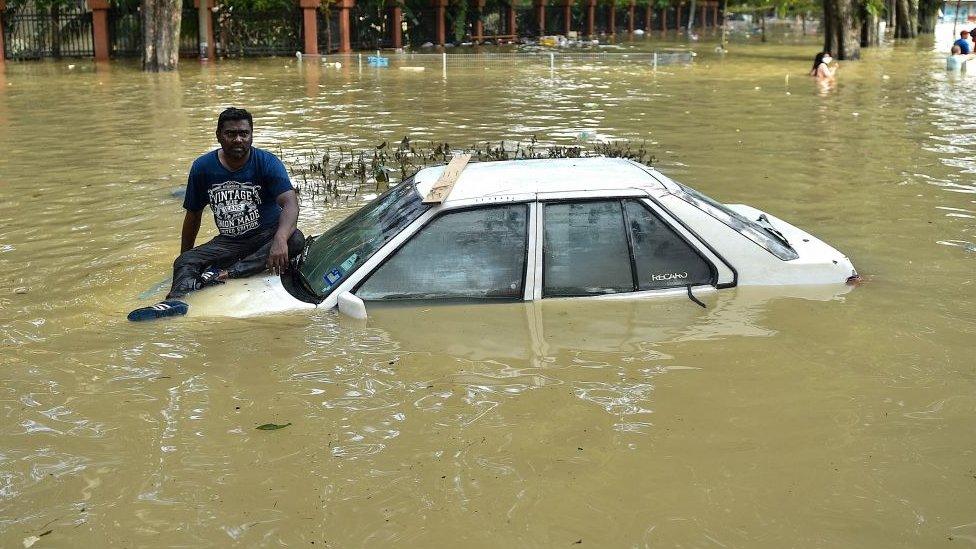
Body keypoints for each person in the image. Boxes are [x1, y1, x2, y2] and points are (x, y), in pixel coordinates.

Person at [128, 107, 304, 321]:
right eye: (231, 134)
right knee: (185, 262)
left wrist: (279, 239)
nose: (238, 139)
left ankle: (226, 273)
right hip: (229, 242)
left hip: (265, 236)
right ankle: (175, 301)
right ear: (219, 136)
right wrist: (186, 258)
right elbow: (193, 215)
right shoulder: (203, 167)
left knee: (295, 239)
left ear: (251, 135)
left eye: (244, 133)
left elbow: (290, 204)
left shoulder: (266, 162)